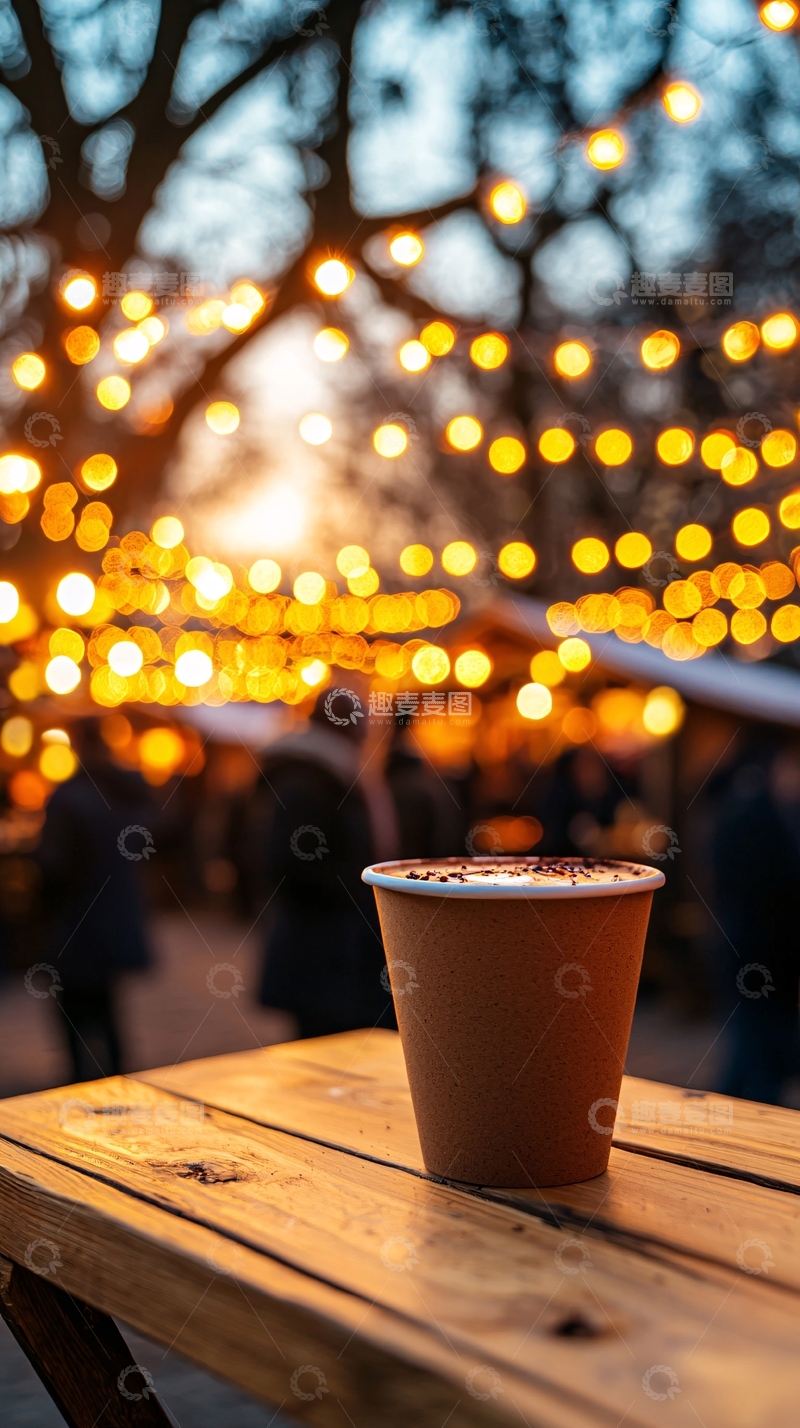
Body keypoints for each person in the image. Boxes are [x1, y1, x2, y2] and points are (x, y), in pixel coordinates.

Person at [258, 685, 397, 1038]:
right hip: (320, 948)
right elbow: (290, 861)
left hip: (337, 943)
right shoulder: (308, 779)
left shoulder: (336, 772)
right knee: (323, 1049)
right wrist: (354, 888)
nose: (367, 730)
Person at [36, 719, 154, 1082]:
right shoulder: (125, 792)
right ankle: (116, 1083)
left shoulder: (70, 797)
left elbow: (54, 867)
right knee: (107, 1010)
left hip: (77, 922)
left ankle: (79, 1090)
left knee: (74, 1014)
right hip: (115, 917)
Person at [710, 736, 800, 1104]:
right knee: (757, 1046)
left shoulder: (775, 811)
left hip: (761, 950)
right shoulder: (751, 817)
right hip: (754, 948)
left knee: (750, 1044)